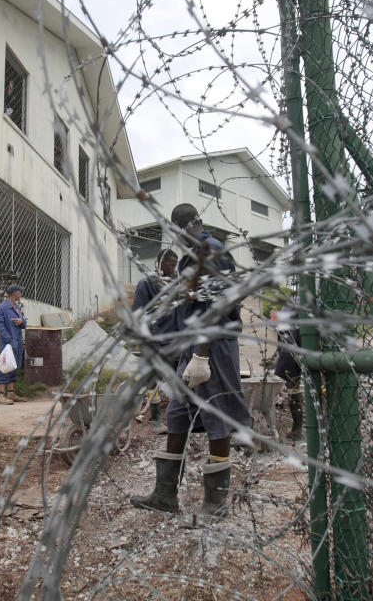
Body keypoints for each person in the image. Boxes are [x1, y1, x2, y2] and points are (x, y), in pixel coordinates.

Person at [130, 204, 252, 522]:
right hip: (191, 346)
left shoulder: (211, 251)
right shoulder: (190, 257)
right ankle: (165, 495)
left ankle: (216, 503)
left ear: (183, 226)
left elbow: (218, 306)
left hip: (212, 347)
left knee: (215, 417)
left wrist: (201, 355)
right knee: (178, 414)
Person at [131, 248, 179, 434]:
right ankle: (157, 420)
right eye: (171, 265)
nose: (174, 269)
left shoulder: (176, 284)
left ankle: (177, 418)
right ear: (160, 263)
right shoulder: (146, 284)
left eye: (176, 265)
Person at [0, 283, 28, 405]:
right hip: (8, 343)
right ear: (14, 293)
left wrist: (22, 322)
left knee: (15, 366)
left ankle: (11, 393)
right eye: (20, 291)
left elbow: (24, 322)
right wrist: (9, 338)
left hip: (18, 342)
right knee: (5, 366)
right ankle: (1, 395)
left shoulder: (16, 307)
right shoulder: (3, 307)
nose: (21, 293)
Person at [273, 326, 304, 440]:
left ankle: (298, 428)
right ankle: (297, 428)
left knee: (293, 392)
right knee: (293, 391)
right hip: (291, 361)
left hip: (291, 362)